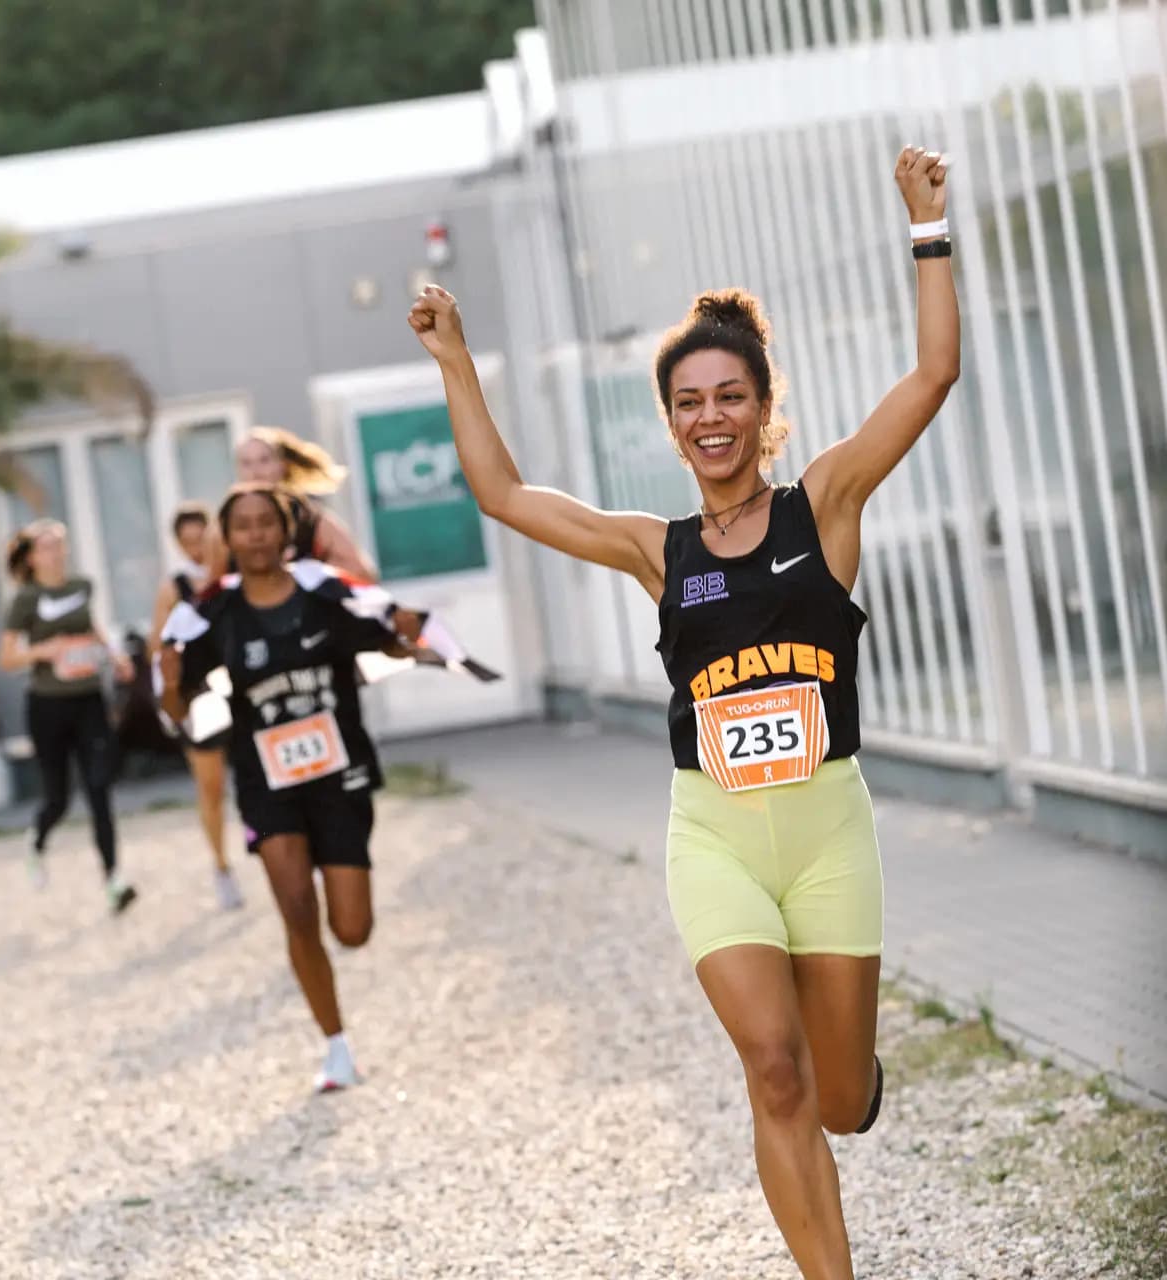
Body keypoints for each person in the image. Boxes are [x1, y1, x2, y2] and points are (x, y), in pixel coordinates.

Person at [409, 147, 957, 1276]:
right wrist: (457, 359)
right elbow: (504, 495)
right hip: (713, 835)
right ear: (669, 422)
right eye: (689, 403)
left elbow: (931, 377)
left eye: (731, 398)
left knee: (842, 1098)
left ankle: (851, 1088)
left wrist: (928, 228)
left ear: (764, 410)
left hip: (826, 832)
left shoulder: (829, 504)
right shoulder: (655, 551)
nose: (712, 418)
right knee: (773, 1067)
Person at [159, 484, 429, 1093]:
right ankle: (335, 1046)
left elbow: (387, 644)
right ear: (227, 539)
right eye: (243, 526)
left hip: (341, 777)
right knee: (294, 906)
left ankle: (337, 1015)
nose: (255, 535)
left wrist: (403, 633)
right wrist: (172, 683)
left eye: (266, 524)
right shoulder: (214, 615)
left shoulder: (325, 594)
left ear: (285, 532)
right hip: (266, 783)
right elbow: (181, 710)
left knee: (352, 929)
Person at [0, 518, 138, 916]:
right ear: (31, 557)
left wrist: (114, 654)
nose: (55, 553)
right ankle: (37, 840)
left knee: (99, 789)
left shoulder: (80, 587)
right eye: (46, 547)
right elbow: (6, 658)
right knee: (58, 797)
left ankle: (114, 879)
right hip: (48, 705)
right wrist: (42, 651)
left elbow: (91, 628)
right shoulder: (26, 600)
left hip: (88, 699)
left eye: (60, 545)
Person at [151, 501, 245, 912]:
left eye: (200, 539)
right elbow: (158, 646)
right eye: (186, 543)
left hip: (242, 684)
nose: (195, 550)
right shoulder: (174, 588)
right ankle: (221, 865)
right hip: (201, 695)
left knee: (258, 774)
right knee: (211, 786)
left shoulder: (236, 573)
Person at [204, 426, 377, 581]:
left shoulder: (309, 519)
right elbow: (213, 588)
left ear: (282, 465)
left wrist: (310, 576)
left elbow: (364, 573)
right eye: (246, 463)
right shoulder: (222, 527)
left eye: (264, 460)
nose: (255, 471)